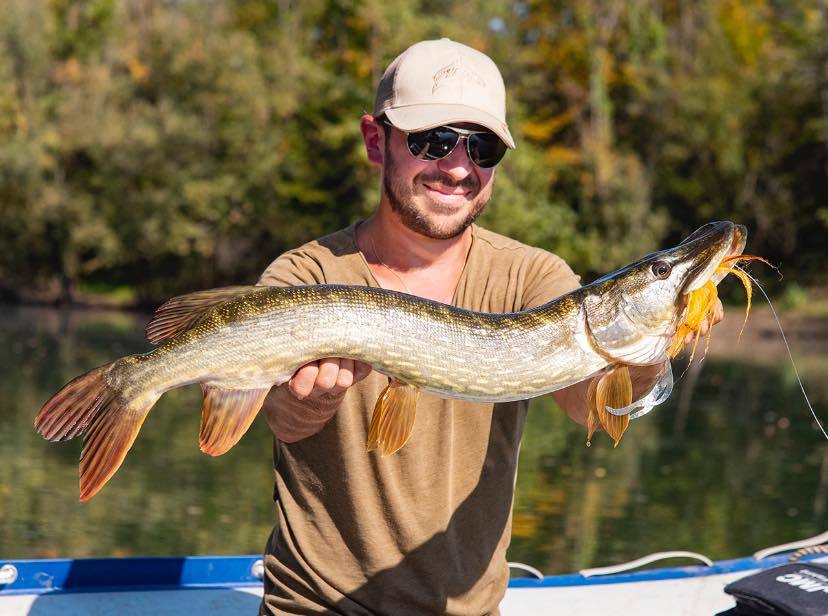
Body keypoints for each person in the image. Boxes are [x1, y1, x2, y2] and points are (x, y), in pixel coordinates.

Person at [256, 39, 722, 615]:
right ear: (377, 142)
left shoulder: (532, 276)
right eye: (432, 141)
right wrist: (308, 403)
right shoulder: (306, 274)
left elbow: (592, 405)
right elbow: (276, 413)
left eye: (482, 149)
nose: (457, 167)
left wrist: (654, 346)